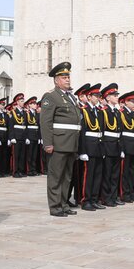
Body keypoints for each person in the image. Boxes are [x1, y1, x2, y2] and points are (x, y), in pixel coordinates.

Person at [39, 62, 82, 217]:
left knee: (67, 176)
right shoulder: (51, 96)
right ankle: (55, 206)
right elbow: (45, 122)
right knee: (56, 176)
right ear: (56, 80)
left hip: (71, 143)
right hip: (58, 143)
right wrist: (48, 143)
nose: (67, 80)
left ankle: (63, 204)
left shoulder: (70, 97)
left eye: (68, 77)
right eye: (64, 77)